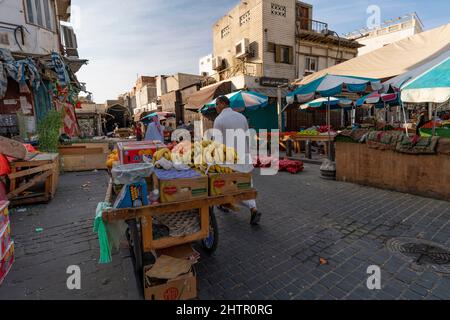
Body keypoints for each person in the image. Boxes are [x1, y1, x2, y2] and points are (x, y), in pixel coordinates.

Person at [213, 95, 262, 226]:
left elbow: (217, 143)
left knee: (231, 186)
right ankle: (253, 208)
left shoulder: (219, 120)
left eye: (217, 105)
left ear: (223, 103)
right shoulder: (242, 117)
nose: (216, 107)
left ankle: (225, 202)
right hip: (244, 156)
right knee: (246, 185)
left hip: (229, 160)